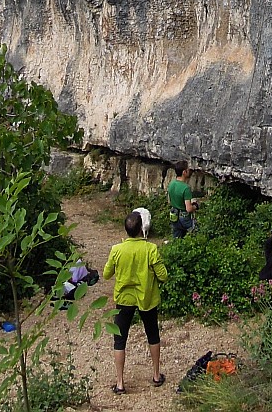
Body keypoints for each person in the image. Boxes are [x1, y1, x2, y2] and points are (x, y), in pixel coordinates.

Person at [103, 210, 168, 393]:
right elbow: (163, 276)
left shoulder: (117, 250)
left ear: (126, 230)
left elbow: (107, 274)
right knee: (152, 334)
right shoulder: (150, 249)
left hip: (124, 299)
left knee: (120, 339)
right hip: (146, 298)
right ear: (141, 229)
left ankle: (120, 383)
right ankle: (156, 375)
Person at [167, 163, 197, 238]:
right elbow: (189, 209)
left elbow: (170, 201)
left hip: (174, 214)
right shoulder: (186, 188)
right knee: (195, 234)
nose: (189, 171)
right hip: (184, 216)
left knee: (177, 237)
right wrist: (195, 206)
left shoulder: (171, 184)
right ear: (184, 172)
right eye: (188, 170)